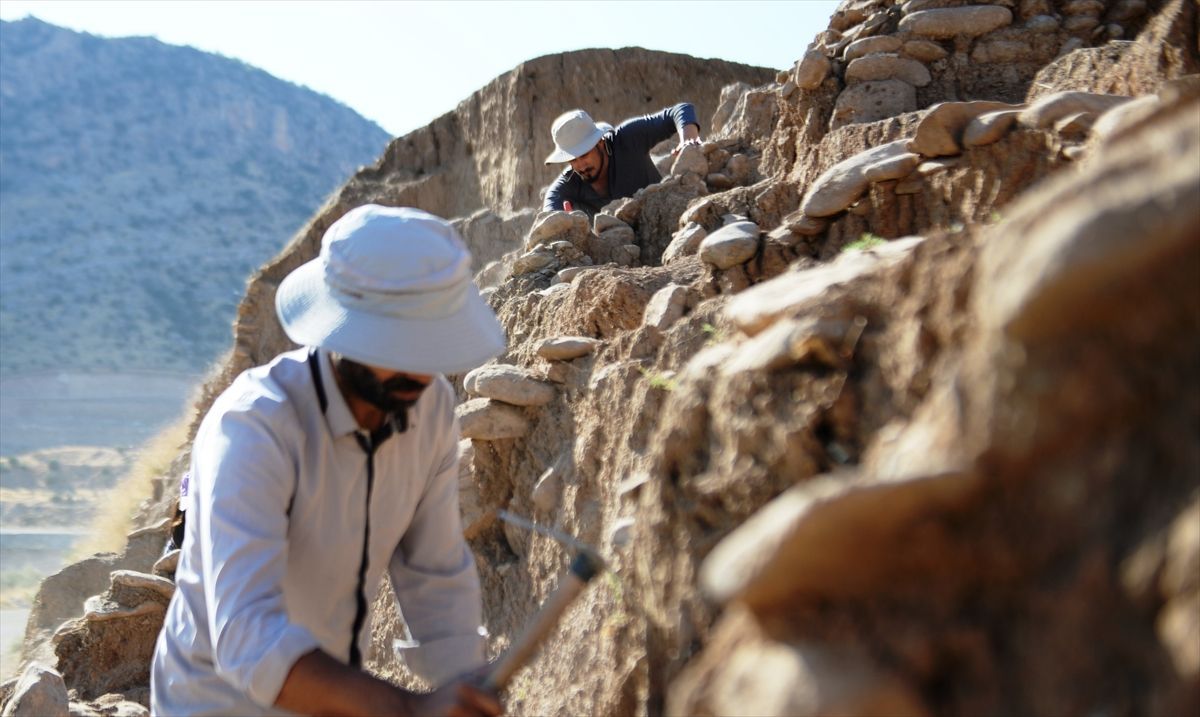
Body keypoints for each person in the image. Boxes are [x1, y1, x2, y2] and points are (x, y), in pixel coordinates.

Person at [151, 204, 507, 717]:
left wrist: (464, 684)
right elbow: (247, 636)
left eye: (430, 350)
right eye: (400, 347)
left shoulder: (430, 412)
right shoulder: (256, 426)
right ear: (342, 330)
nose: (421, 372)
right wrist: (410, 711)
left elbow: (434, 572)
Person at [542, 104, 703, 217]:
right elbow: (548, 217)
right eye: (572, 159)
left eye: (584, 155)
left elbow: (681, 110)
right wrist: (563, 225)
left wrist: (688, 141)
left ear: (601, 142)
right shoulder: (566, 185)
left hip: (667, 217)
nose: (580, 165)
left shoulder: (626, 139)